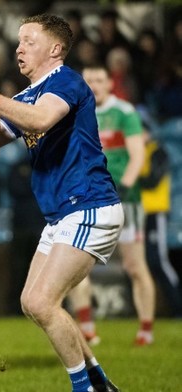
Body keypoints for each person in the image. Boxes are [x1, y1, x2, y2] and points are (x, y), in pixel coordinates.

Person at [0, 14, 123, 392]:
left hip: (90, 204)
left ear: (55, 49)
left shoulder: (67, 82)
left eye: (28, 40)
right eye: (19, 40)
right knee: (31, 302)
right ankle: (98, 381)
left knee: (43, 302)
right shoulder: (22, 98)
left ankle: (84, 389)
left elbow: (41, 119)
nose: (18, 47)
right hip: (62, 214)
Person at [70, 64, 156, 346]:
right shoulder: (76, 113)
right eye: (89, 79)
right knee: (77, 265)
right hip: (87, 199)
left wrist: (123, 188)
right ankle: (87, 329)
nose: (94, 84)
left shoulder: (124, 112)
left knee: (134, 265)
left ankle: (145, 329)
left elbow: (137, 156)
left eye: (99, 79)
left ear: (109, 84)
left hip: (124, 199)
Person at [140, 130, 182, 317]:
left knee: (160, 261)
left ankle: (177, 306)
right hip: (140, 211)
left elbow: (152, 180)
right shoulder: (136, 152)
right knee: (145, 263)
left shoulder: (157, 151)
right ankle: (164, 308)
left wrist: (131, 174)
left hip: (156, 212)